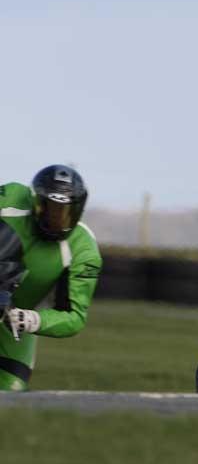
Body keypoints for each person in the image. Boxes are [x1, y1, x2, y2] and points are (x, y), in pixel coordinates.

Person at [0, 165, 102, 391]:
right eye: (48, 208)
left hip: (15, 319)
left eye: (64, 212)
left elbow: (74, 317)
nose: (56, 219)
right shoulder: (11, 199)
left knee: (11, 393)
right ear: (35, 201)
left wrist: (30, 319)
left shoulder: (84, 250)